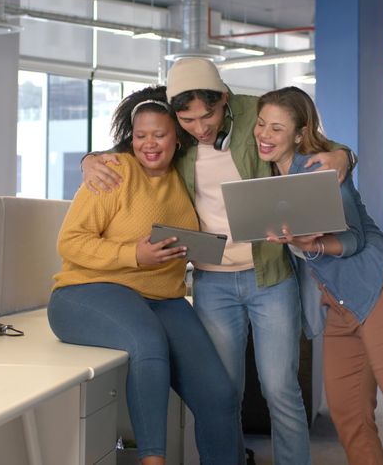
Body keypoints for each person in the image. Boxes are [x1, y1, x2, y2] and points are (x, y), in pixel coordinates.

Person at [81, 58, 354, 465]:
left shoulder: (256, 115)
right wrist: (90, 159)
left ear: (224, 99)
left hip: (269, 274)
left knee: (280, 388)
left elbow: (310, 136)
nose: (200, 128)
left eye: (208, 115)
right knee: (224, 392)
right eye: (188, 119)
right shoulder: (176, 129)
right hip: (212, 281)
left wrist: (344, 155)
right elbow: (138, 145)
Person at [254, 86, 383, 465]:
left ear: (299, 133)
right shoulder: (268, 176)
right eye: (261, 124)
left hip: (380, 289)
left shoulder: (319, 167)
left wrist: (307, 243)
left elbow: (353, 240)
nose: (265, 134)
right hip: (340, 304)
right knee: (348, 416)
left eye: (277, 128)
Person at [48, 86, 242, 465]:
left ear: (178, 138)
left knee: (219, 394)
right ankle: (153, 461)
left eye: (160, 134)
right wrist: (133, 254)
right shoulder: (113, 172)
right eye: (141, 136)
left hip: (163, 299)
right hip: (86, 293)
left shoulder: (183, 178)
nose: (149, 144)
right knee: (148, 343)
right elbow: (69, 243)